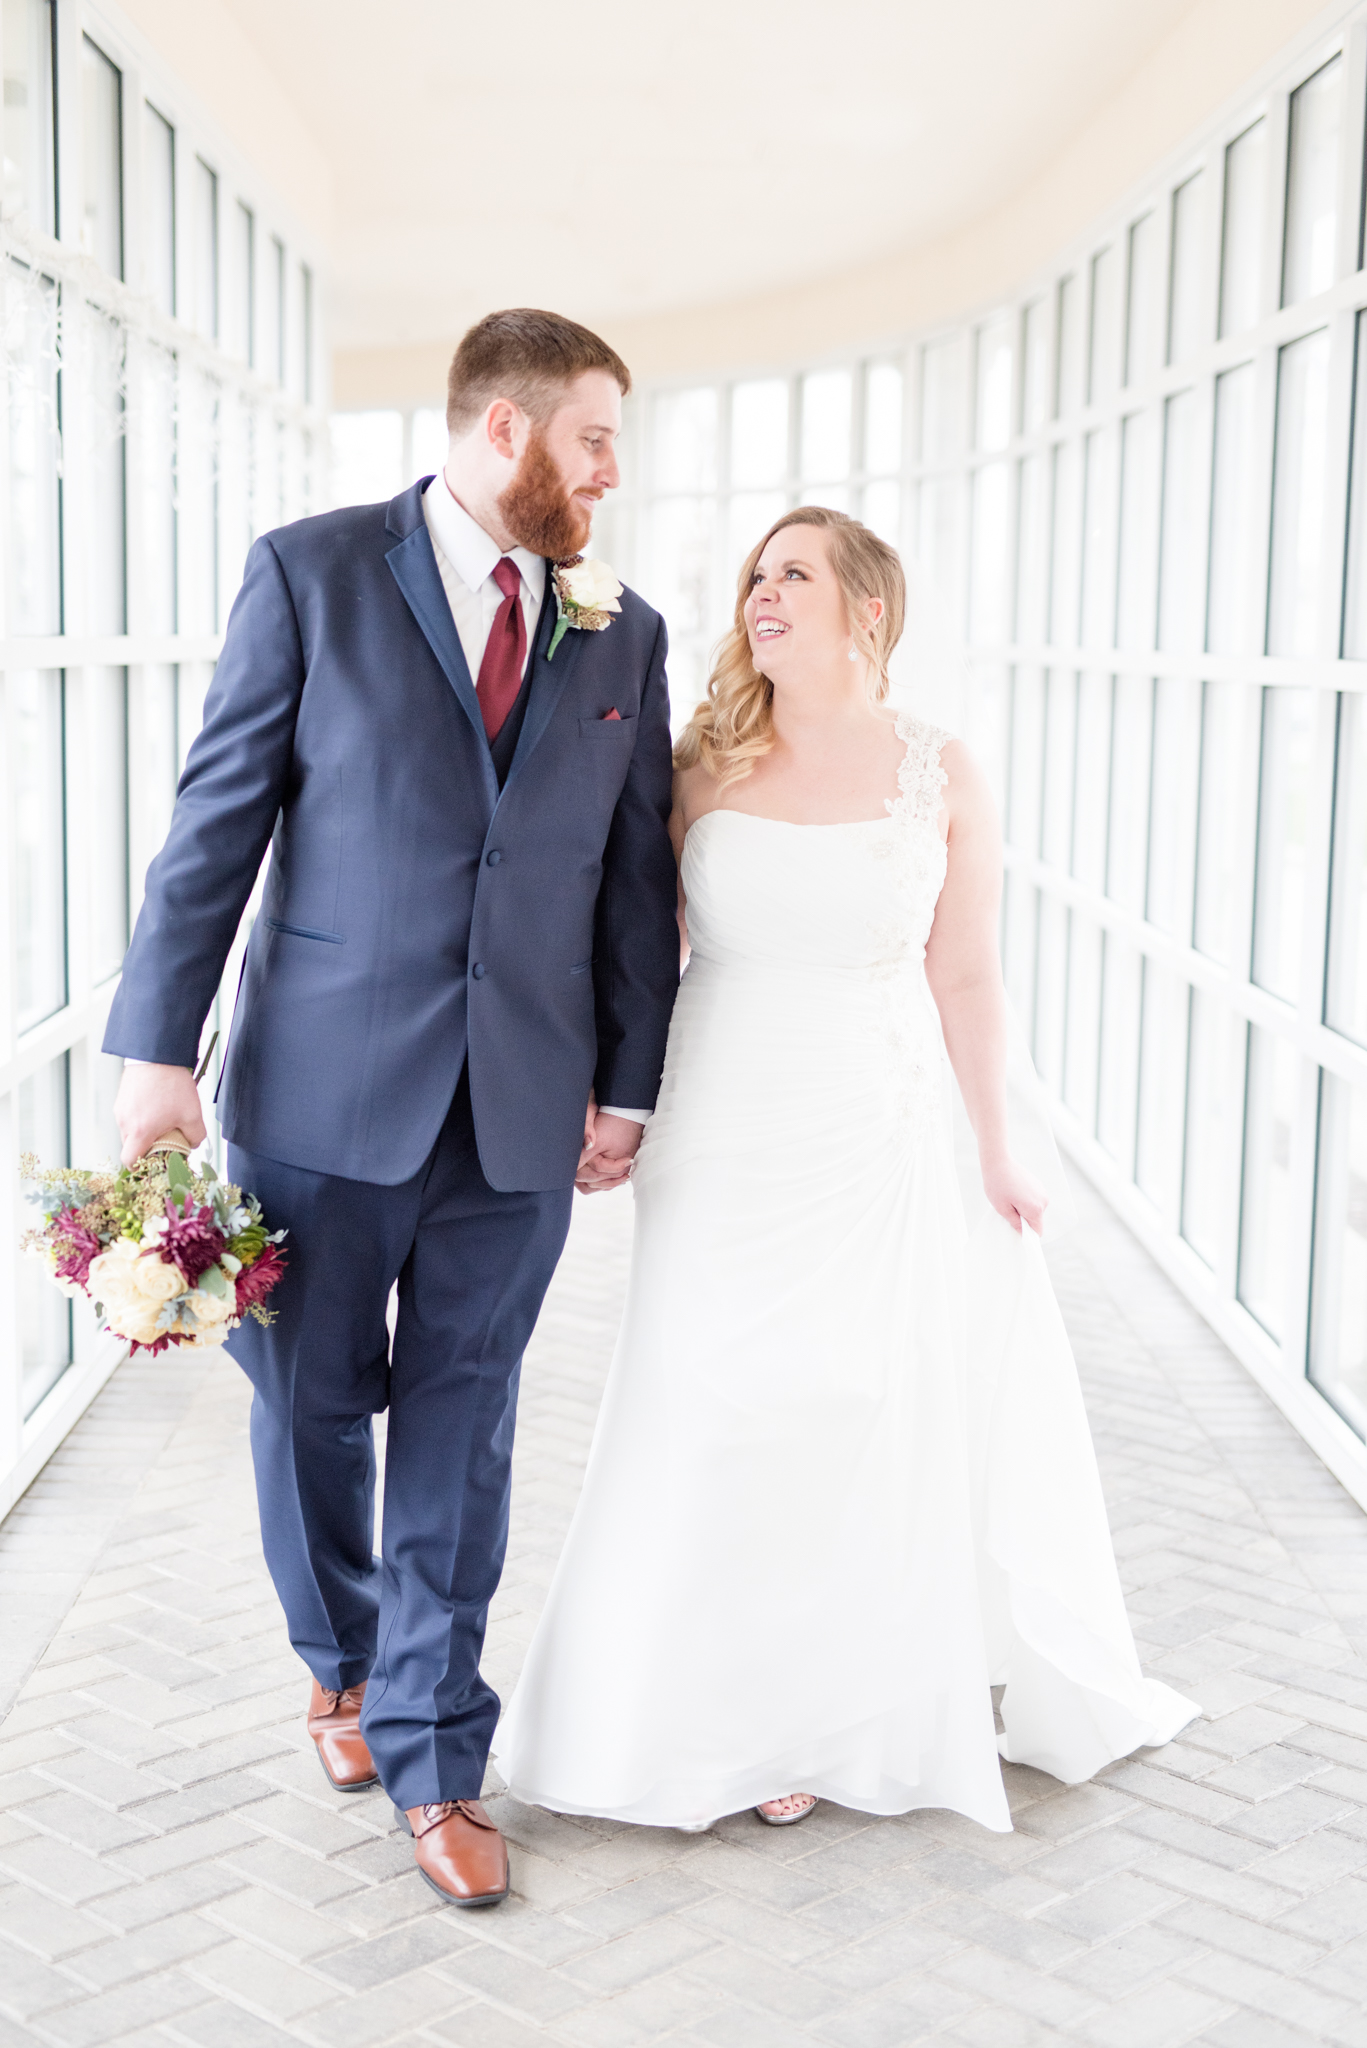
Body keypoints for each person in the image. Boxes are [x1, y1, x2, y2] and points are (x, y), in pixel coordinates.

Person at [494, 505, 1196, 1834]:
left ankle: (818, 1712)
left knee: (846, 1398)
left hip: (874, 1119)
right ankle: (694, 1706)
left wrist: (999, 1143)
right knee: (708, 1394)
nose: (763, 595)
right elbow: (635, 945)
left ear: (868, 607)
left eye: (794, 575)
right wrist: (608, 1095)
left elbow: (968, 972)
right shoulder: (701, 757)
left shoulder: (943, 768)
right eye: (757, 574)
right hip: (721, 1117)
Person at [104, 309, 679, 1905]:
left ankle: (435, 1748)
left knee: (464, 1427)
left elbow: (635, 886)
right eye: (594, 439)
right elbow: (215, 820)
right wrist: (159, 1054)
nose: (614, 473)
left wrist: (626, 1083)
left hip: (519, 1115)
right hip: (319, 1097)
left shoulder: (621, 632)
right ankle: (340, 1658)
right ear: (505, 431)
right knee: (305, 1413)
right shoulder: (311, 573)